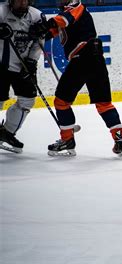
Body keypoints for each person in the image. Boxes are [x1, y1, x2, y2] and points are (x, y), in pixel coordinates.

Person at [28, 0, 122, 157]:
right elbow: (53, 31)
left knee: (61, 102)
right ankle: (120, 139)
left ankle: (67, 139)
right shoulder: (66, 15)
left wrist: (45, 25)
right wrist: (39, 33)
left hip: (82, 59)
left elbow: (62, 20)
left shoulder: (77, 8)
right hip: (97, 59)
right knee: (104, 104)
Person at [0, 0, 44, 153]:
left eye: (25, 0)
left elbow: (40, 41)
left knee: (27, 100)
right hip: (0, 66)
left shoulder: (37, 16)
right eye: (18, 0)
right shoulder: (1, 12)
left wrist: (32, 60)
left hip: (23, 66)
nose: (22, 3)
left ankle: (7, 132)